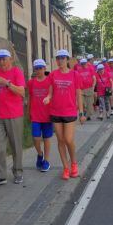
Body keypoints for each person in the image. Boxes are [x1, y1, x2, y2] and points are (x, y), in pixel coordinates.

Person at [0, 49, 26, 187]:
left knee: (16, 146)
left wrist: (7, 83)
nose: (1, 61)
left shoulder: (16, 72)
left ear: (10, 59)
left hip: (14, 115)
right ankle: (0, 175)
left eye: (4, 58)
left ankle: (18, 172)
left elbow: (22, 92)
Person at [44, 49, 85, 180]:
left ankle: (74, 163)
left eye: (62, 58)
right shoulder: (53, 75)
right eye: (58, 58)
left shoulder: (74, 74)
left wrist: (82, 112)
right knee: (60, 140)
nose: (60, 60)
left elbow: (78, 93)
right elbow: (50, 92)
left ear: (67, 59)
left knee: (68, 139)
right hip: (55, 111)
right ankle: (66, 168)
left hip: (69, 111)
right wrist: (48, 98)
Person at [27, 59, 52, 172]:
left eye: (40, 68)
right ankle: (39, 154)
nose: (38, 70)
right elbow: (30, 98)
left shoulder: (50, 81)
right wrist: (28, 112)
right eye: (36, 69)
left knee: (46, 139)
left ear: (44, 69)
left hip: (47, 115)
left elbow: (53, 96)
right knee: (36, 138)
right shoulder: (31, 82)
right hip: (35, 115)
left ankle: (46, 161)